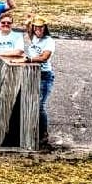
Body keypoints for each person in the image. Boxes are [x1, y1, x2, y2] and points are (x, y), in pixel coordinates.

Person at [25, 16, 55, 146]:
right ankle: (31, 130)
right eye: (36, 27)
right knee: (29, 103)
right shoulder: (34, 37)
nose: (38, 30)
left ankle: (44, 133)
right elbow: (28, 31)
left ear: (45, 28)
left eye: (41, 27)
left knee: (39, 106)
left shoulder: (49, 41)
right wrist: (28, 22)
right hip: (32, 74)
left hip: (44, 75)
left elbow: (44, 57)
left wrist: (29, 60)